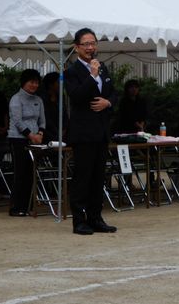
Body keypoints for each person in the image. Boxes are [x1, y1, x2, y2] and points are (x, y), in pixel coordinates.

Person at [65, 28, 117, 235]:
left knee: (98, 178)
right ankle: (79, 220)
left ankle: (96, 217)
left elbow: (114, 93)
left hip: (101, 132)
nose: (90, 47)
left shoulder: (103, 68)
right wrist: (92, 75)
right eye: (86, 44)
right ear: (77, 47)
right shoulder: (71, 72)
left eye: (93, 43)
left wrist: (108, 102)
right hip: (83, 134)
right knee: (82, 178)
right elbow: (76, 96)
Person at [7, 69, 46, 216]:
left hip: (35, 139)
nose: (34, 85)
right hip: (18, 139)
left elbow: (42, 120)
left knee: (31, 173)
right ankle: (16, 207)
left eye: (36, 82)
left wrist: (40, 133)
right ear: (24, 83)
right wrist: (31, 135)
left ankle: (28, 205)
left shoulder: (38, 100)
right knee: (20, 173)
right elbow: (17, 121)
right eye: (31, 82)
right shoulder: (16, 99)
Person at [41, 72, 69, 146]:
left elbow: (65, 115)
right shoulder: (43, 100)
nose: (61, 84)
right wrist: (57, 133)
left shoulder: (61, 98)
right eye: (58, 82)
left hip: (62, 136)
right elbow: (46, 119)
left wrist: (64, 130)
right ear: (51, 85)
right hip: (48, 136)